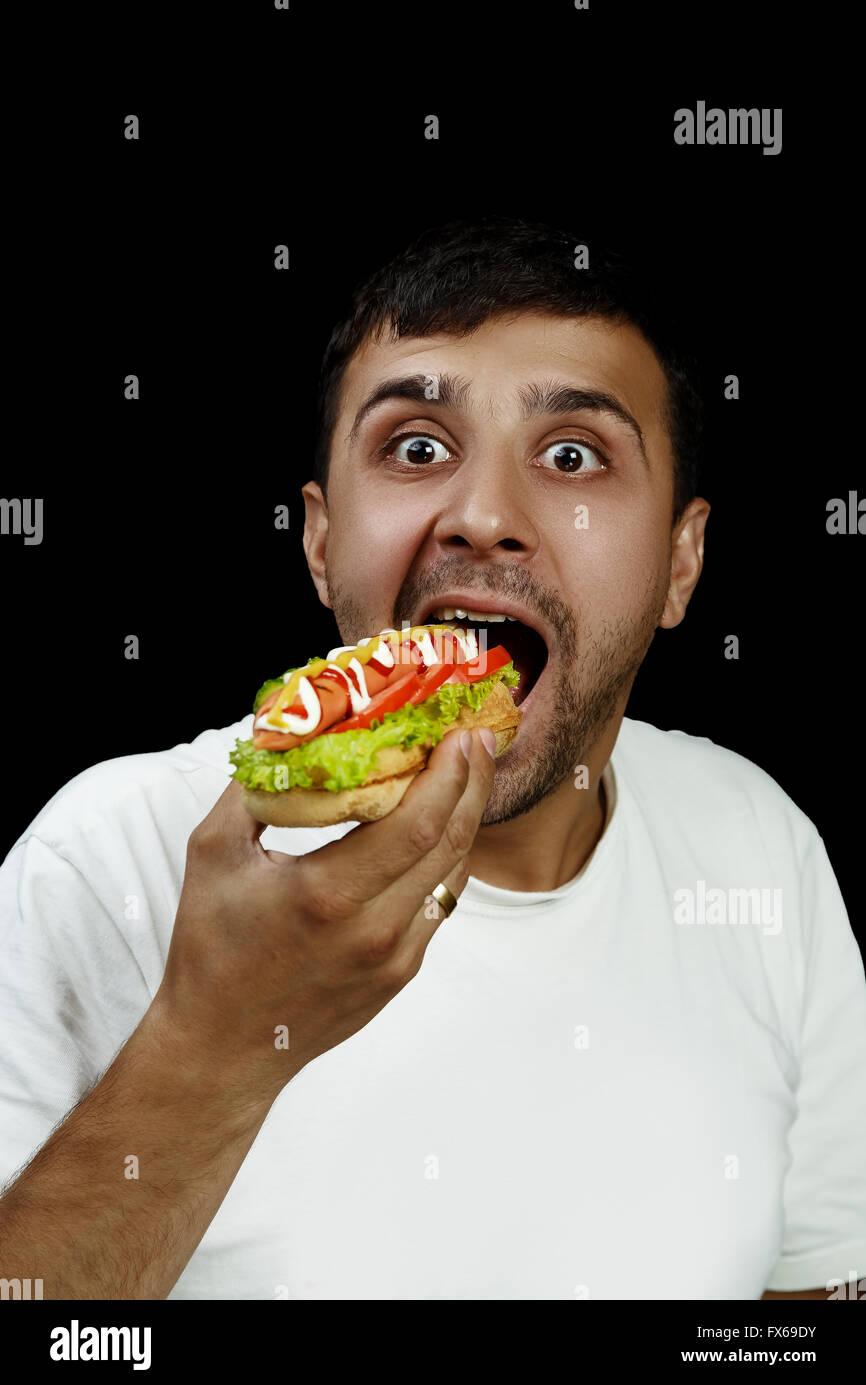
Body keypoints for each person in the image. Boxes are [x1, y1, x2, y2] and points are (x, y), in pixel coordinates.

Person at [1, 218, 863, 1301]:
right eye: (415, 446)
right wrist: (214, 1044)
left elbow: (812, 1295)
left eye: (571, 455)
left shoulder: (759, 848)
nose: (485, 515)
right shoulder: (105, 858)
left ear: (680, 564)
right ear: (320, 544)